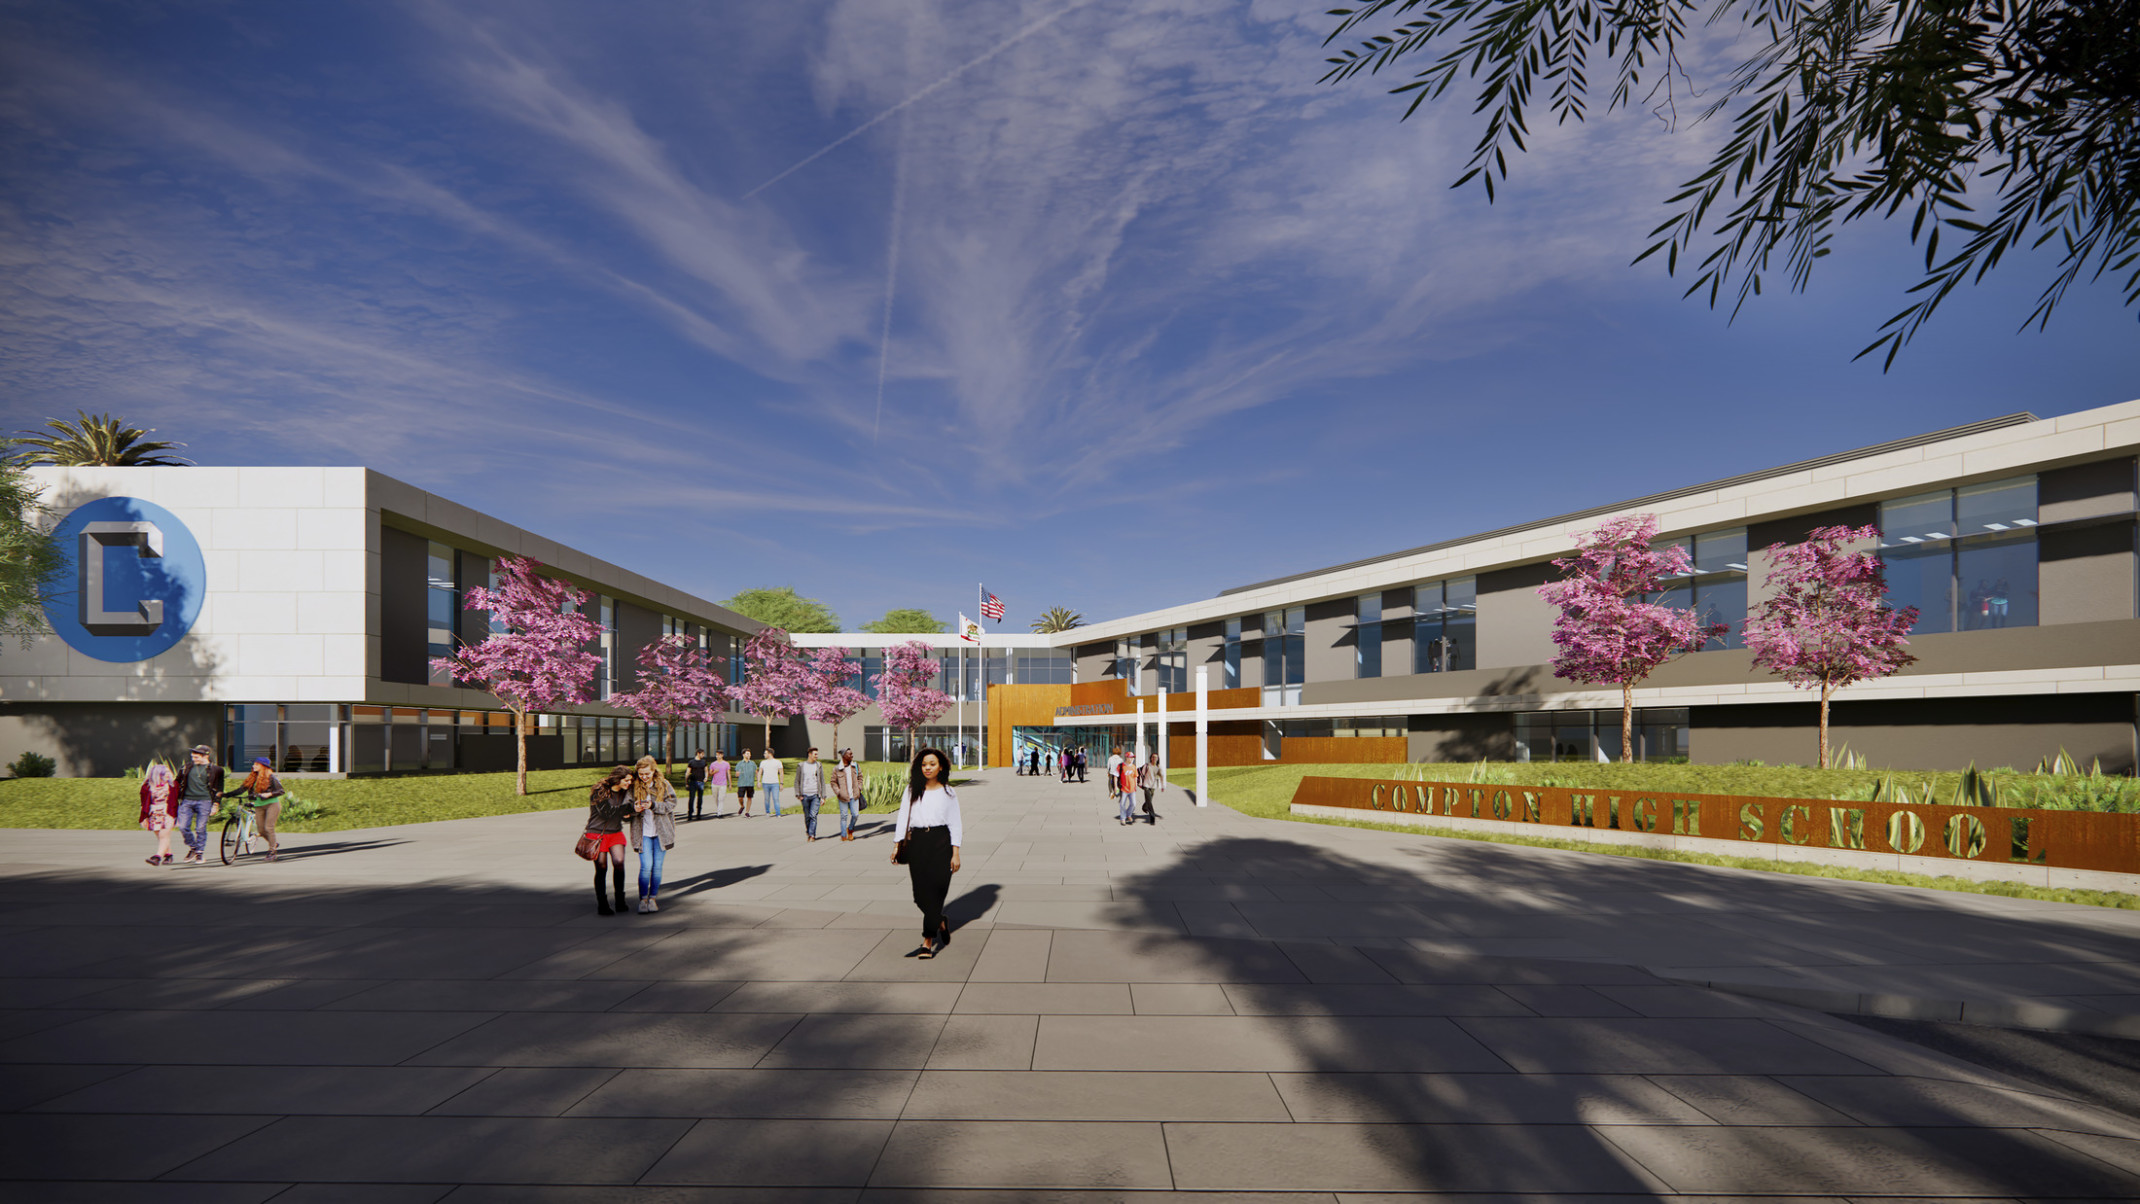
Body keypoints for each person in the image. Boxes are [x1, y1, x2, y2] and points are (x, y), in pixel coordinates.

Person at [890, 747, 962, 960]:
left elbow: (955, 823)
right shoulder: (912, 789)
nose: (927, 768)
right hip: (918, 843)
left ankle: (927, 941)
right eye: (923, 764)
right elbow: (903, 816)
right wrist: (896, 845)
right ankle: (940, 920)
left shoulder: (949, 792)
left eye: (932, 764)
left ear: (941, 766)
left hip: (942, 842)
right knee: (920, 896)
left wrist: (955, 853)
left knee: (937, 892)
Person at [626, 755, 677, 912]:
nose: (644, 777)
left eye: (647, 773)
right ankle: (643, 899)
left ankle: (653, 898)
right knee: (646, 866)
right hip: (643, 833)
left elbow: (672, 803)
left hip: (661, 833)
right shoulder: (634, 787)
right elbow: (626, 807)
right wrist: (635, 809)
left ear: (654, 771)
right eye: (641, 774)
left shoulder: (663, 784)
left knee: (657, 867)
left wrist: (653, 805)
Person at [584, 767, 634, 915]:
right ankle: (602, 903)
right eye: (626, 780)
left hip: (615, 833)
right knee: (602, 868)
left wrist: (629, 814)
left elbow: (627, 814)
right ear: (617, 779)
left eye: (631, 780)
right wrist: (629, 808)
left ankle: (620, 900)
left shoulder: (626, 792)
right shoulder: (600, 790)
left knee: (619, 864)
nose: (629, 783)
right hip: (597, 834)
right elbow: (606, 812)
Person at [223, 757, 288, 860]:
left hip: (272, 804)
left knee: (268, 827)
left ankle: (272, 851)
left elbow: (281, 791)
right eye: (254, 764)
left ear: (263, 766)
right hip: (259, 805)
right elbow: (241, 790)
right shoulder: (252, 778)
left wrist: (269, 794)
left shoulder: (271, 777)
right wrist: (226, 795)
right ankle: (274, 843)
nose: (253, 766)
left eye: (256, 764)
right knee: (261, 830)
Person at [175, 744, 223, 864]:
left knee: (200, 828)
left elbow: (220, 789)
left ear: (205, 756)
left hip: (205, 801)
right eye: (192, 756)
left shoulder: (216, 770)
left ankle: (200, 854)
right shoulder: (186, 767)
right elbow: (177, 782)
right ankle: (194, 848)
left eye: (196, 756)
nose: (193, 758)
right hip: (187, 800)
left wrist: (216, 804)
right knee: (182, 827)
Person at [139, 762, 178, 866]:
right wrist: (143, 818)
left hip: (168, 813)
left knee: (163, 835)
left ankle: (157, 857)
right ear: (158, 774)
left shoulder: (172, 785)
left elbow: (175, 801)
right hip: (154, 813)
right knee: (161, 836)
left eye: (168, 773)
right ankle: (169, 855)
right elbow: (143, 804)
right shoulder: (147, 787)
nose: (168, 775)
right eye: (165, 773)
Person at [831, 748, 864, 841]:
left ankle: (850, 829)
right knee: (844, 816)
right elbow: (833, 782)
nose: (852, 755)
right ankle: (844, 835)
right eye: (850, 754)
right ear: (844, 756)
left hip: (854, 795)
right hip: (843, 797)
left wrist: (859, 787)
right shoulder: (837, 769)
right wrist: (838, 792)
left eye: (852, 754)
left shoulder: (855, 766)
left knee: (855, 815)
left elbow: (860, 777)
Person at [796, 747, 826, 841]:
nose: (817, 756)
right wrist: (798, 794)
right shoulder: (801, 766)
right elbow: (797, 781)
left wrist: (823, 796)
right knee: (807, 816)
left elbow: (822, 781)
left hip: (815, 795)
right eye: (815, 754)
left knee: (813, 815)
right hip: (804, 795)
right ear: (809, 754)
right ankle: (809, 830)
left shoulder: (818, 765)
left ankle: (812, 835)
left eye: (817, 754)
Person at [1138, 755, 1165, 825]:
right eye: (1153, 757)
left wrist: (1162, 786)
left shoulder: (1158, 767)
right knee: (1149, 802)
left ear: (1158, 759)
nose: (1154, 758)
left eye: (1156, 757)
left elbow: (1161, 776)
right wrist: (1140, 783)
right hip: (1146, 786)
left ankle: (1144, 807)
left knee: (1149, 801)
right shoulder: (1147, 766)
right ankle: (1152, 817)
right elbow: (1141, 774)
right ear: (1150, 758)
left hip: (1153, 787)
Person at [684, 749, 709, 820]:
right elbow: (687, 773)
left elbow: (706, 771)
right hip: (693, 782)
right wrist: (686, 783)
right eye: (702, 754)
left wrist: (706, 777)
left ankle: (698, 813)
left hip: (701, 782)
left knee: (700, 798)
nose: (703, 755)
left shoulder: (703, 762)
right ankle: (690, 814)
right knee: (691, 798)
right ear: (698, 753)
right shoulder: (691, 762)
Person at [759, 749, 784, 817]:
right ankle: (767, 812)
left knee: (776, 798)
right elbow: (760, 772)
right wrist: (759, 781)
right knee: (766, 798)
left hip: (775, 783)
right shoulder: (763, 762)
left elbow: (781, 773)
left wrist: (781, 783)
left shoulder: (778, 762)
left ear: (770, 753)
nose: (764, 754)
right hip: (765, 783)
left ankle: (778, 813)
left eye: (765, 753)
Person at [707, 751, 730, 818]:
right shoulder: (713, 764)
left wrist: (730, 784)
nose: (717, 756)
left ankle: (719, 812)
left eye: (719, 755)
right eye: (716, 755)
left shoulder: (726, 764)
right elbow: (709, 774)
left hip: (723, 784)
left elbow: (728, 774)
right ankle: (719, 809)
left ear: (722, 755)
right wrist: (714, 772)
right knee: (716, 798)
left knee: (721, 798)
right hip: (714, 784)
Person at [734, 749, 757, 817]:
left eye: (749, 754)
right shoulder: (739, 764)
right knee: (740, 797)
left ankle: (747, 812)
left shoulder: (753, 763)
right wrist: (737, 774)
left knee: (749, 797)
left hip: (750, 783)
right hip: (742, 783)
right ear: (743, 754)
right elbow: (736, 773)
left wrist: (758, 781)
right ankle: (742, 806)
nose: (749, 755)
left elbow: (756, 772)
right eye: (747, 753)